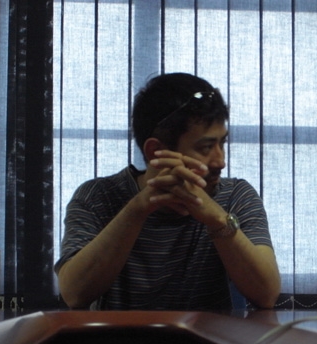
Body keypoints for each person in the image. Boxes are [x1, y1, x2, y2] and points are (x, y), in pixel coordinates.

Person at [55, 73, 280, 310]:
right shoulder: (97, 197)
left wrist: (215, 218)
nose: (220, 161)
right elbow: (74, 294)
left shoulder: (235, 195)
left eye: (222, 143)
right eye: (205, 147)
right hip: (118, 334)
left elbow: (266, 294)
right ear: (155, 151)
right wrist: (139, 208)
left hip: (206, 335)